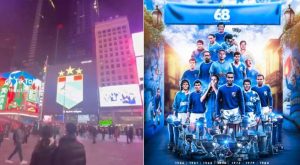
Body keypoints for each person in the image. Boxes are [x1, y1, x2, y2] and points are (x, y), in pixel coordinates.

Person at [168, 80, 190, 151]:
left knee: (187, 132)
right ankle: (175, 145)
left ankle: (187, 147)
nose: (185, 85)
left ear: (188, 85)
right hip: (180, 114)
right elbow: (175, 105)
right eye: (184, 84)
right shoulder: (179, 94)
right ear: (182, 86)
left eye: (187, 84)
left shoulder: (191, 94)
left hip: (189, 115)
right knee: (177, 130)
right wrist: (175, 116)